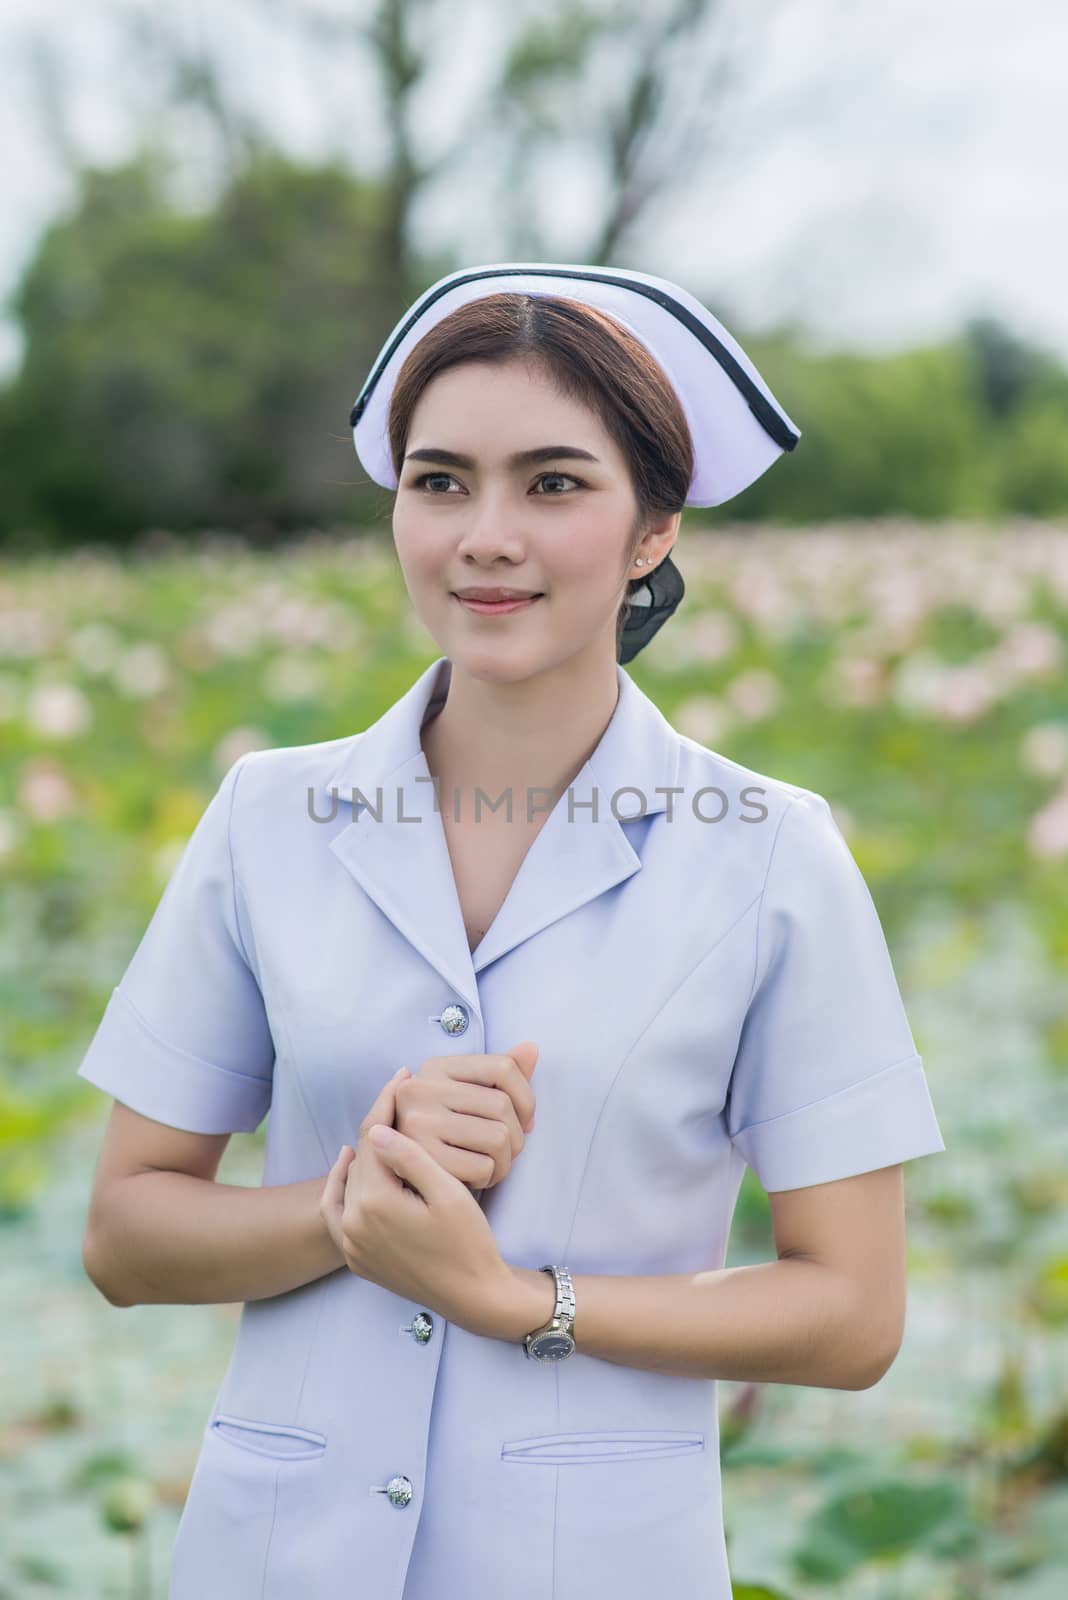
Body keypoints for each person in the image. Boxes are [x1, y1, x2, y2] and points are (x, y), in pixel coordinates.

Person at [76, 263, 946, 1600]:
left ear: (653, 526)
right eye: (439, 482)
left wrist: (519, 1301)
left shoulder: (772, 856)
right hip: (271, 1561)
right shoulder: (268, 816)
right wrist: (349, 1203)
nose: (485, 536)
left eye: (553, 484)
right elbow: (125, 1235)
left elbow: (852, 1313)